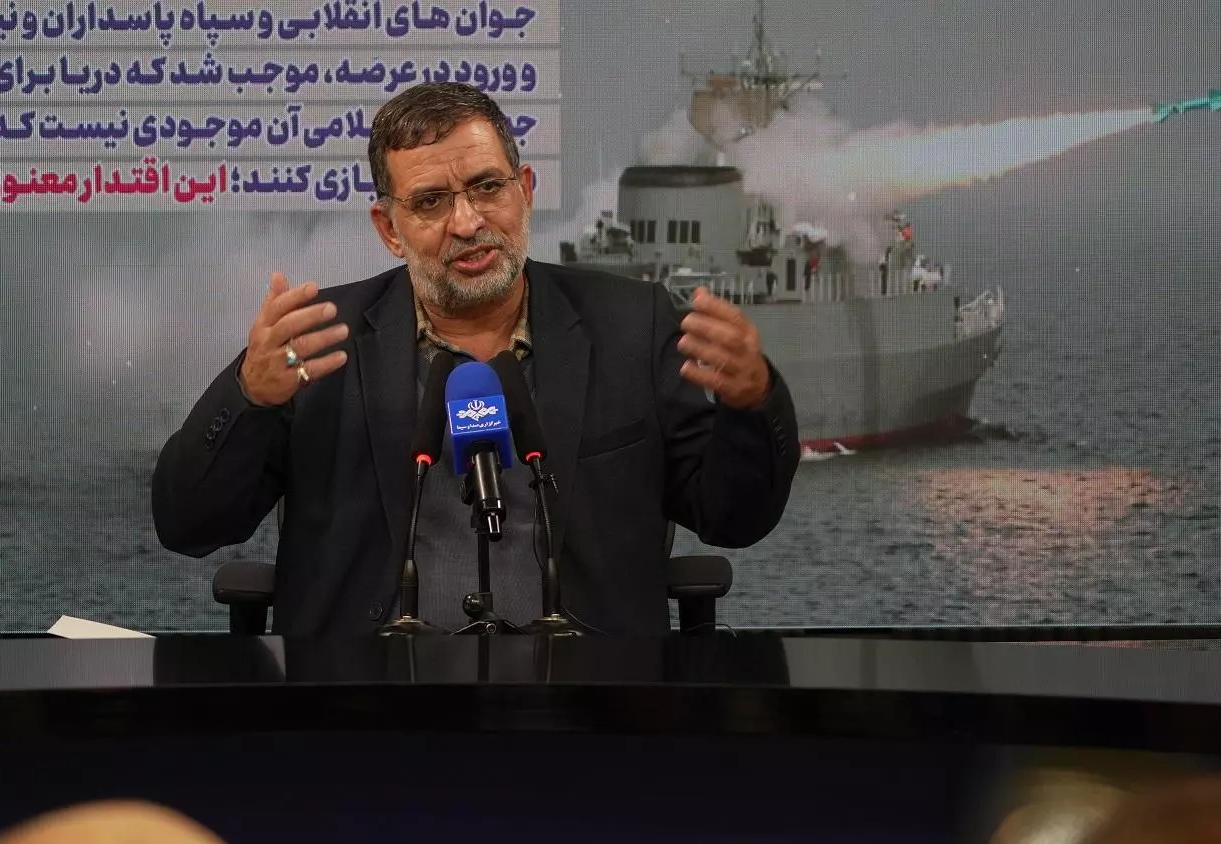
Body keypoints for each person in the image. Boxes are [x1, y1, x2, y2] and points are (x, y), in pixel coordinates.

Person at [152, 83, 799, 635]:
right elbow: (188, 525)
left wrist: (753, 403)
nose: (467, 222)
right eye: (430, 202)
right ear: (389, 229)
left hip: (588, 695)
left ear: (525, 190)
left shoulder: (631, 325)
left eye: (487, 187)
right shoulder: (320, 343)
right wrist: (249, 396)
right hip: (367, 697)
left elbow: (734, 519)